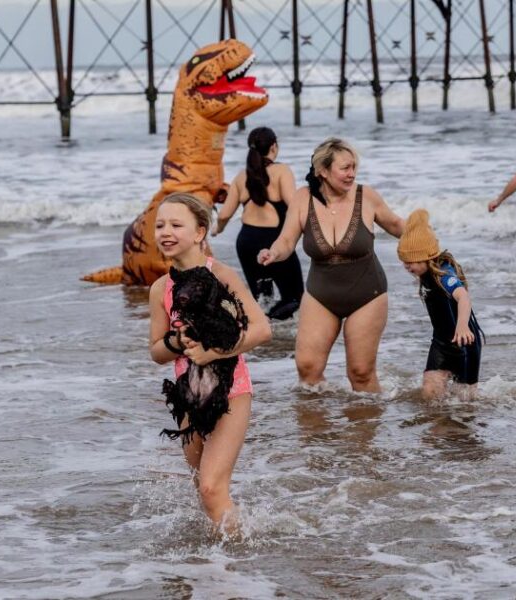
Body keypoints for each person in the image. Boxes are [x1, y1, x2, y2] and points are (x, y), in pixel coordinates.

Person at [149, 193, 272, 535]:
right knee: (203, 486)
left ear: (200, 231)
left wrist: (214, 353)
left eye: (176, 224)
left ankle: (236, 564)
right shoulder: (161, 288)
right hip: (188, 395)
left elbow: (262, 330)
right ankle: (215, 561)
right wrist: (176, 342)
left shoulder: (222, 275)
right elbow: (156, 352)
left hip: (231, 390)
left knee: (210, 488)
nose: (165, 232)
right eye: (160, 225)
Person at [258, 138, 405, 392]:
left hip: (367, 294)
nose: (352, 174)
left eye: (354, 167)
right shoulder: (303, 198)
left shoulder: (365, 195)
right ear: (323, 171)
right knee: (307, 369)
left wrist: (425, 238)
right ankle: (320, 428)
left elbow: (396, 226)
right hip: (321, 295)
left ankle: (366, 425)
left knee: (360, 373)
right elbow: (286, 240)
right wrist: (273, 253)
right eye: (345, 168)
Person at [214, 127, 305, 319]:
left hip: (246, 242)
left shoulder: (241, 177)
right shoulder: (282, 171)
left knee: (262, 297)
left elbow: (224, 215)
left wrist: (217, 230)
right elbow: (294, 205)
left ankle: (261, 336)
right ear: (274, 147)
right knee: (294, 297)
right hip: (274, 242)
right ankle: (270, 328)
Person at [398, 209, 483, 400]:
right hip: (441, 343)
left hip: (464, 342)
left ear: (428, 256)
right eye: (404, 263)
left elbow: (463, 297)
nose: (408, 267)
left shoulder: (444, 274)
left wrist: (462, 326)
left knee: (465, 403)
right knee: (430, 394)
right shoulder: (424, 273)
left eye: (411, 261)